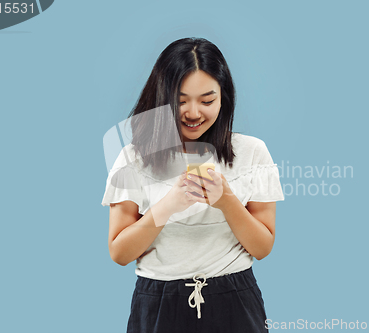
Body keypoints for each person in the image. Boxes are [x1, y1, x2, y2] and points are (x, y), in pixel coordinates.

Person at [101, 37, 284, 333]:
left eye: (207, 100)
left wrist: (226, 200)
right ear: (161, 98)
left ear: (224, 97)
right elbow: (119, 253)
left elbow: (262, 247)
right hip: (158, 302)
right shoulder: (133, 158)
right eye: (180, 101)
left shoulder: (253, 152)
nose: (194, 113)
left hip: (234, 298)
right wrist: (169, 205)